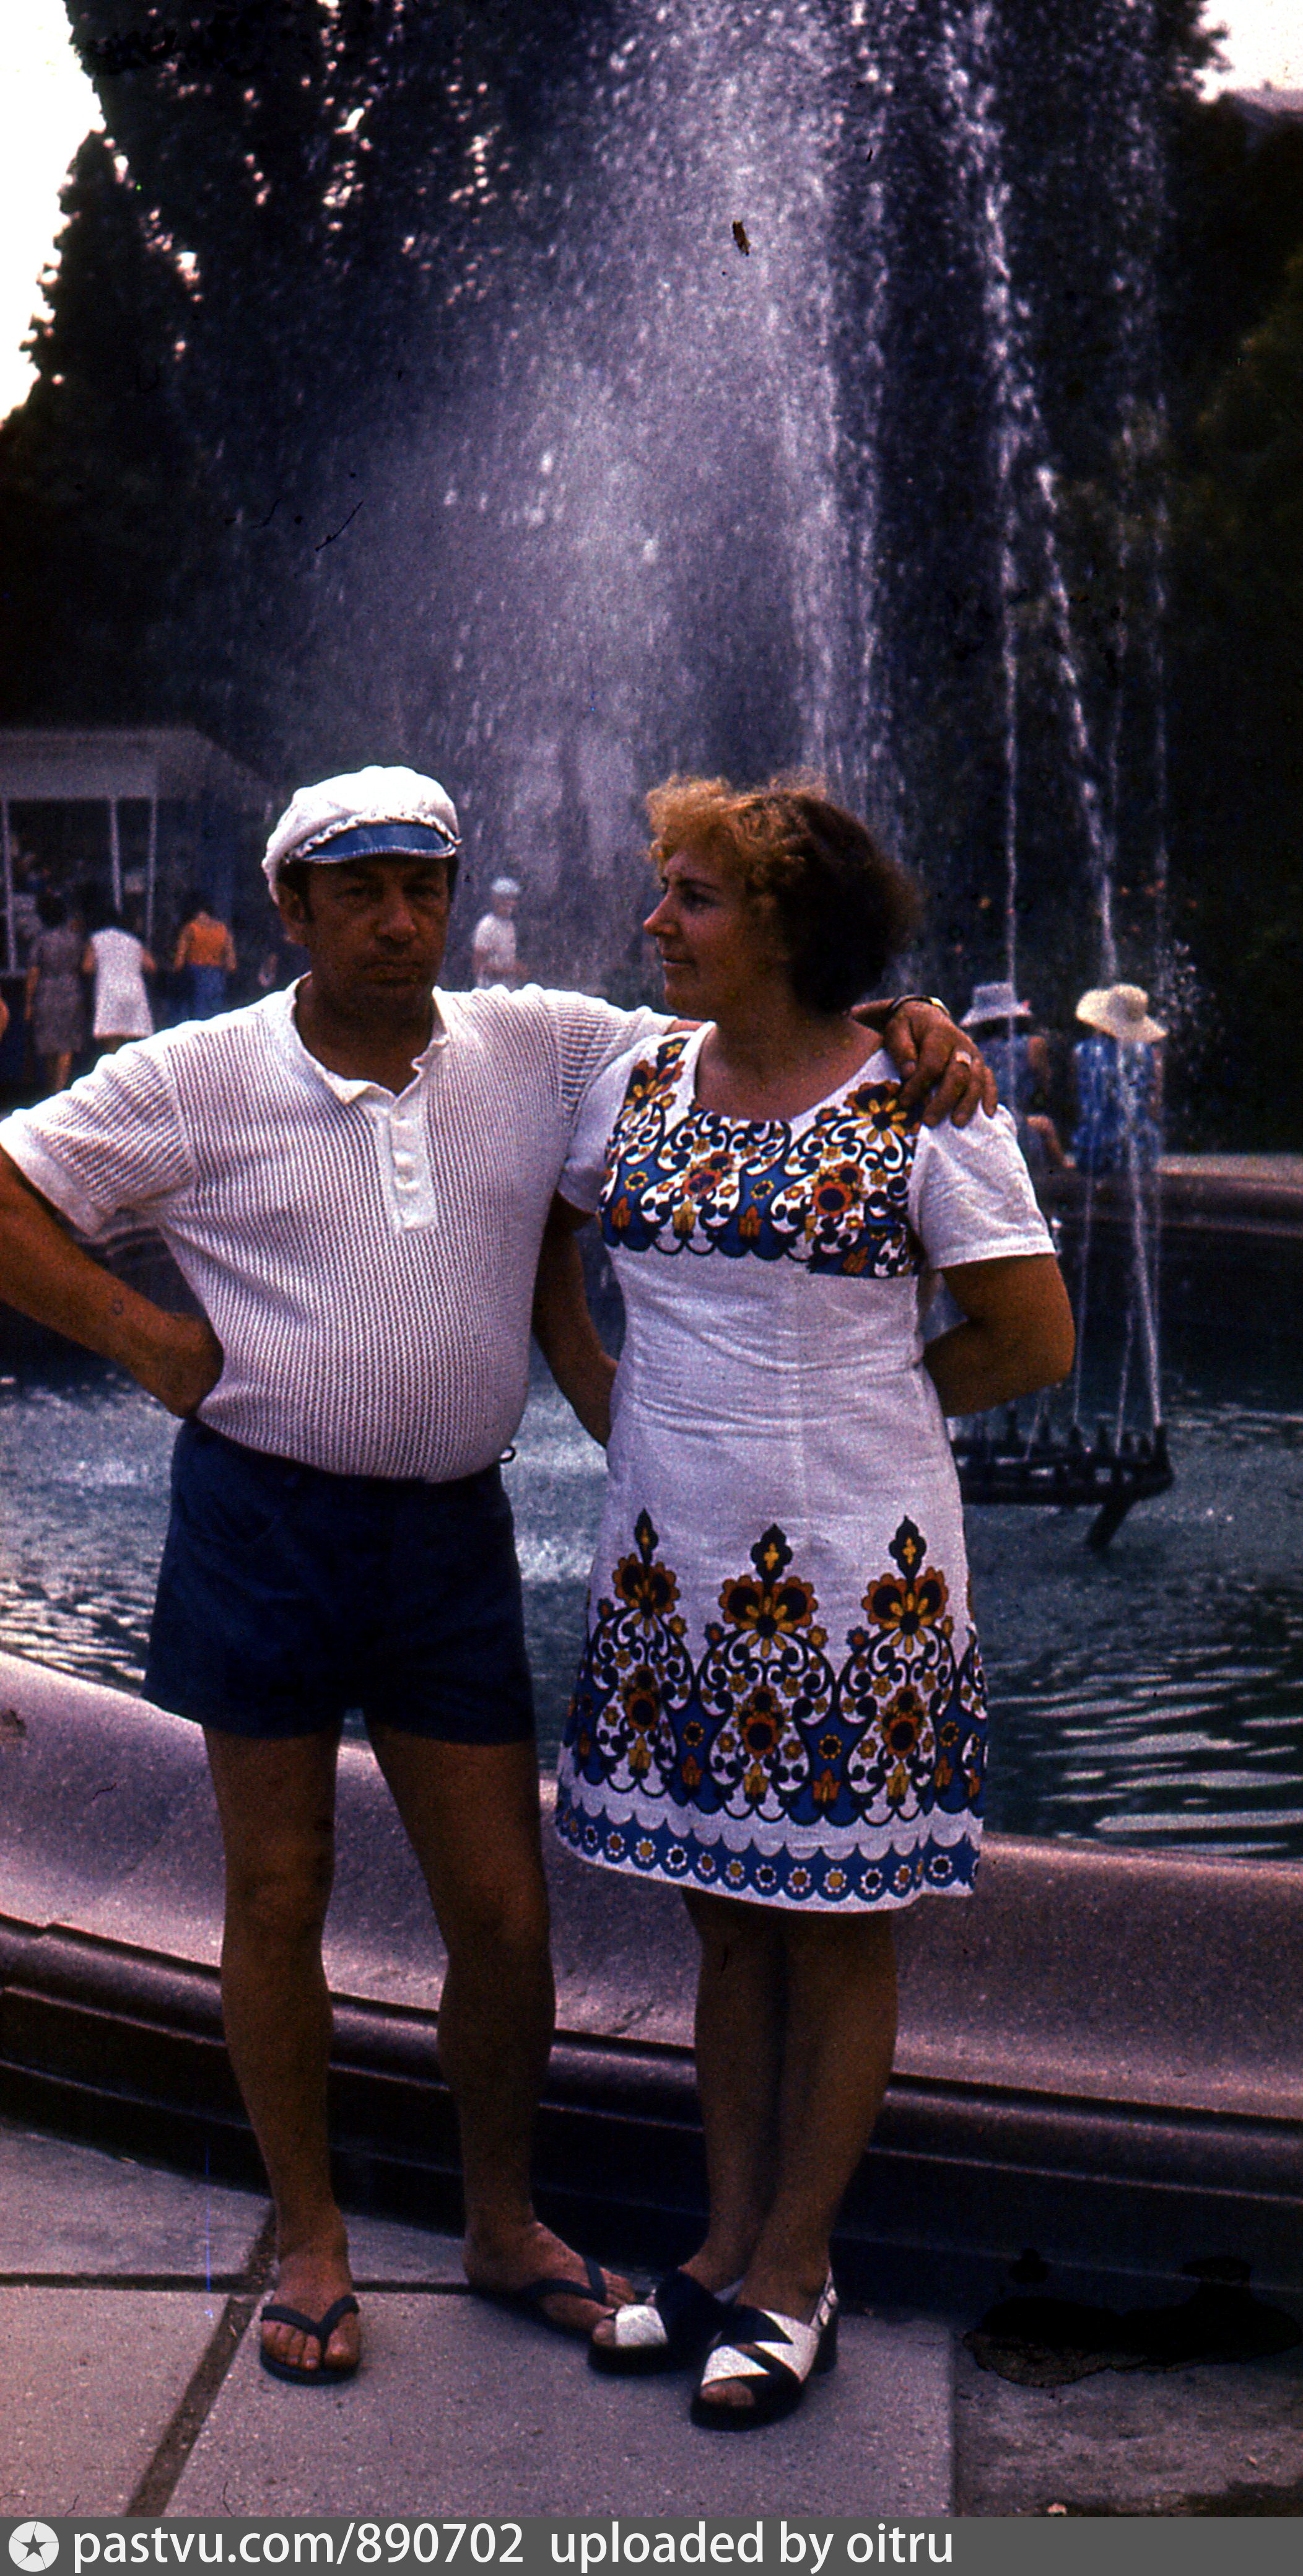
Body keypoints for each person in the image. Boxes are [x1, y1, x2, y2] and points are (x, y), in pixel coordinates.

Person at [0, 764, 989, 2391]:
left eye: (426, 888)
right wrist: (144, 1335)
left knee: (504, 1908)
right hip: (261, 1525)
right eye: (361, 892)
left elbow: (761, 1024)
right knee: (276, 1889)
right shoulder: (196, 1073)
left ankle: (500, 2219)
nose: (401, 921)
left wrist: (904, 1020)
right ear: (292, 908)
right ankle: (310, 2235)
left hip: (448, 1530)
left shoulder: (541, 1045)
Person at [549, 777, 1074, 2430]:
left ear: (785, 928)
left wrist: (869, 1409)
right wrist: (608, 1395)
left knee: (837, 1923)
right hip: (673, 1578)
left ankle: (794, 2271)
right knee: (723, 1914)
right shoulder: (635, 1076)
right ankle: (721, 2245)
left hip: (856, 1592)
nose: (656, 921)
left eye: (694, 896)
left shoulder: (924, 1099)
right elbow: (544, 1244)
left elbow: (1034, 1336)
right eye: (666, 890)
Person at [964, 979, 1068, 1173]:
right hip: (1016, 1125)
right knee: (1045, 1127)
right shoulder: (1033, 1046)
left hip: (975, 1129)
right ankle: (1065, 1174)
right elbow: (1045, 1088)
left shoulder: (968, 1050)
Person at [1072, 982, 1166, 1181]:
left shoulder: (1080, 1052)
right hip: (1138, 1154)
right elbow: (1154, 1109)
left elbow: (1080, 1102)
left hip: (1091, 1152)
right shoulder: (1152, 1056)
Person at [24, 892, 86, 1093]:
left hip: (46, 991)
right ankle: (60, 1089)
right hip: (72, 990)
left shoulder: (40, 940)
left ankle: (52, 1089)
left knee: (48, 1045)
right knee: (67, 1046)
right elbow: (83, 965)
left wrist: (28, 1003)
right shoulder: (76, 939)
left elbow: (34, 972)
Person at [83, 904, 155, 1050]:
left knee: (111, 1039)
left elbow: (87, 967)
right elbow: (151, 965)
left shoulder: (96, 939)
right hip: (134, 991)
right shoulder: (133, 940)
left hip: (109, 992)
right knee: (135, 1038)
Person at [172, 893, 238, 1019]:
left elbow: (179, 962)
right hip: (217, 977)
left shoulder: (190, 928)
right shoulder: (223, 929)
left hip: (194, 976)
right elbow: (232, 965)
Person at [472, 876, 523, 987]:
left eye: (513, 899)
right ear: (495, 899)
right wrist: (510, 970)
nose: (510, 903)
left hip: (508, 990)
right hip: (489, 991)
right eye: (505, 899)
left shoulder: (510, 924)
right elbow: (479, 965)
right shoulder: (487, 926)